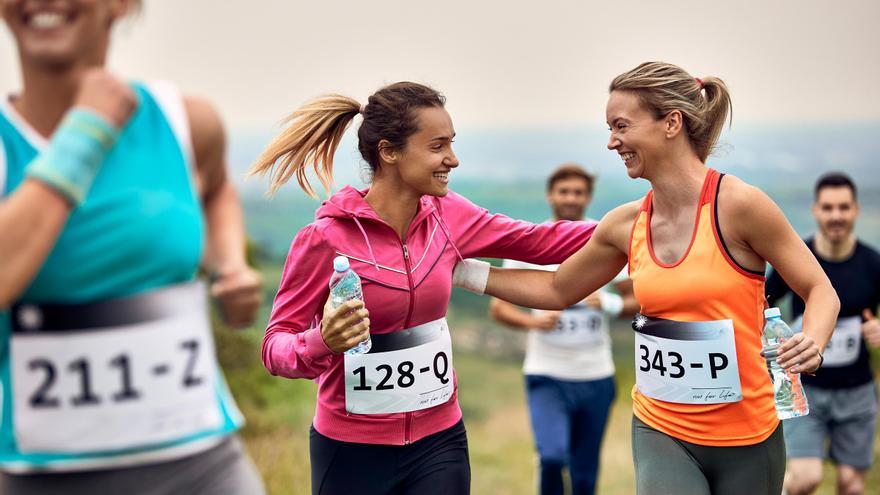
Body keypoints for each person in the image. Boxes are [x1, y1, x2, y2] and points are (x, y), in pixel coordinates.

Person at [454, 61, 840, 494]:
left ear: (671, 123)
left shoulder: (740, 206)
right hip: (662, 428)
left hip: (747, 433)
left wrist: (814, 340)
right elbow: (557, 288)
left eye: (621, 126)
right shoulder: (625, 224)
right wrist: (458, 271)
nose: (611, 142)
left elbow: (819, 289)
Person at [249, 81, 596, 494]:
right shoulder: (324, 238)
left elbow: (541, 242)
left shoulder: (450, 215)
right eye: (437, 147)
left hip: (440, 441)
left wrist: (644, 220)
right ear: (389, 152)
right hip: (350, 449)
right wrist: (323, 341)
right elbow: (275, 347)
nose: (453, 159)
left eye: (451, 144)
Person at [0, 1, 264, 493]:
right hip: (44, 477)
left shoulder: (184, 121)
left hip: (204, 466)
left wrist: (230, 262)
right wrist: (84, 134)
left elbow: (216, 189)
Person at [488, 163, 637, 495]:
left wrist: (611, 304)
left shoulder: (605, 240)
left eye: (578, 192)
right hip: (546, 373)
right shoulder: (529, 240)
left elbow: (638, 299)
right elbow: (499, 307)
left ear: (588, 197)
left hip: (596, 375)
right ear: (550, 195)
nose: (571, 198)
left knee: (585, 474)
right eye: (564, 191)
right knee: (553, 456)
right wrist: (533, 321)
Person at [766, 172, 879, 495]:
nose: (836, 216)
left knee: (852, 485)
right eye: (828, 208)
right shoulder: (797, 261)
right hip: (806, 390)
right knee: (805, 479)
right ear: (816, 210)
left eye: (844, 207)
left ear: (855, 210)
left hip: (857, 392)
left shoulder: (872, 264)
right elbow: (762, 304)